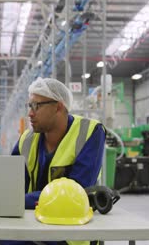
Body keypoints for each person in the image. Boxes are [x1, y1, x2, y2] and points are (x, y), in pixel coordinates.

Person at [6, 77, 106, 245]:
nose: (30, 113)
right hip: (32, 224)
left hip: (70, 230)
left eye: (36, 106)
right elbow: (11, 186)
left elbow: (75, 193)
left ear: (58, 106)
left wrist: (20, 201)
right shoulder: (27, 140)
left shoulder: (89, 133)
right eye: (29, 106)